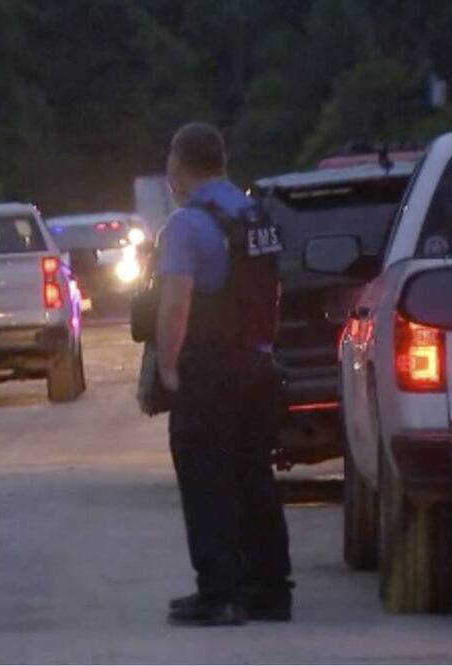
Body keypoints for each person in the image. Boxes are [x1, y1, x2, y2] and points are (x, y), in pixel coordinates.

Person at [155, 122, 293, 627]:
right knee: (255, 477)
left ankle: (219, 594)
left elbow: (174, 305)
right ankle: (272, 590)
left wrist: (169, 365)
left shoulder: (187, 225)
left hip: (210, 370)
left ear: (177, 168)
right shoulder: (255, 213)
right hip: (257, 365)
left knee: (205, 481)